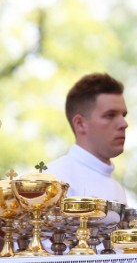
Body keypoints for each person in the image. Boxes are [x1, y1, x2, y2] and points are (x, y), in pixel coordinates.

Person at [48, 73, 128, 204]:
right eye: (110, 115)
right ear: (80, 124)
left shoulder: (116, 188)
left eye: (123, 115)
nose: (124, 124)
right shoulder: (55, 182)